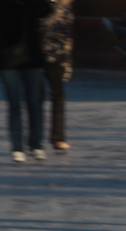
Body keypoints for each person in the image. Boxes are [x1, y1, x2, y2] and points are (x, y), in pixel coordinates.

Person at [1, 0, 53, 163]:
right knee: (14, 104)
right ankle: (17, 148)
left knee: (34, 103)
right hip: (8, 58)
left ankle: (37, 145)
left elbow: (45, 10)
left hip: (32, 56)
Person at [40, 0, 74, 152]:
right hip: (38, 56)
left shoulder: (66, 8)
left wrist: (67, 62)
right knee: (36, 97)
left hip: (57, 58)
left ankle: (58, 138)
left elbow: (68, 38)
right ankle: (35, 138)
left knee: (58, 97)